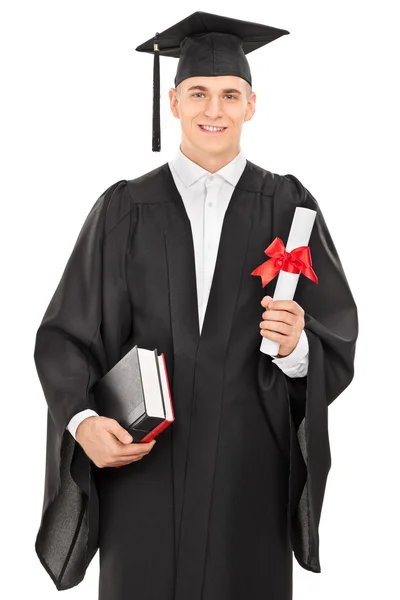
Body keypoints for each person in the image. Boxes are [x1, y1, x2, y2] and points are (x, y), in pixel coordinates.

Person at [33, 10, 358, 600]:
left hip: (248, 476)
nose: (214, 110)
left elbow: (334, 338)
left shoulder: (290, 205)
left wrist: (298, 347)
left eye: (230, 95)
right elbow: (63, 335)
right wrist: (83, 425)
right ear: (174, 99)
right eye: (199, 93)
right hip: (143, 470)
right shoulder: (124, 209)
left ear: (252, 105)